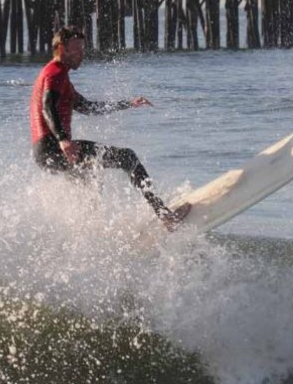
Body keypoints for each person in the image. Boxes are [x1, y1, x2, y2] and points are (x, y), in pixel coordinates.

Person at [30, 26, 191, 231]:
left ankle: (92, 234)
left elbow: (88, 107)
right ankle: (165, 216)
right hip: (52, 147)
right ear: (62, 48)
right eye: (77, 49)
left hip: (44, 154)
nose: (82, 54)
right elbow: (47, 106)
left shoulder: (61, 79)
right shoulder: (56, 72)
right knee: (127, 158)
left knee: (91, 181)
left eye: (83, 48)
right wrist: (63, 139)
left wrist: (128, 103)